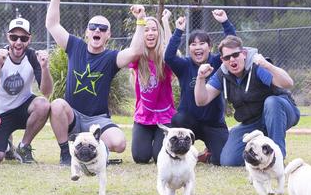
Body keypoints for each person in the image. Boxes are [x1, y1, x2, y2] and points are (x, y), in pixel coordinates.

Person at [45, 0, 146, 165]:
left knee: (120, 143)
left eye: (102, 28)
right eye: (93, 27)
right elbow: (52, 24)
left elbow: (135, 51)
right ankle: (65, 154)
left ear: (108, 35)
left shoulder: (111, 57)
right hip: (73, 117)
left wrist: (140, 20)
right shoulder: (74, 46)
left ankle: (93, 149)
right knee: (58, 104)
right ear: (87, 33)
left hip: (97, 120)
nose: (97, 30)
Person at [194, 35, 300, 166]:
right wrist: (200, 78)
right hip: (252, 122)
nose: (232, 59)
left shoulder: (257, 66)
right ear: (222, 60)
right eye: (227, 57)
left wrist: (267, 65)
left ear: (243, 53)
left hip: (281, 111)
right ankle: (259, 144)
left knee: (272, 102)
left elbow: (288, 83)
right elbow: (201, 101)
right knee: (229, 161)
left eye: (235, 54)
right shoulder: (222, 74)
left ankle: (277, 158)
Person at [164, 10, 237, 165]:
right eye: (193, 44)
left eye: (202, 43)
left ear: (210, 47)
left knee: (221, 160)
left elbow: (233, 46)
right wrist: (178, 31)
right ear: (189, 49)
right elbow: (168, 57)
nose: (197, 47)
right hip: (190, 122)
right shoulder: (184, 65)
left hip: (214, 123)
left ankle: (207, 155)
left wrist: (225, 22)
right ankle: (183, 151)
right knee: (178, 118)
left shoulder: (218, 62)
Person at [0, 18, 52, 164]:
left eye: (24, 38)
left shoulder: (33, 57)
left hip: (22, 108)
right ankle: (7, 146)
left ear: (29, 39)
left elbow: (46, 92)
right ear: (8, 37)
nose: (18, 42)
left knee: (43, 104)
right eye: (14, 37)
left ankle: (23, 147)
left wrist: (45, 67)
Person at [128, 10, 176, 164]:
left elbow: (172, 50)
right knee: (140, 157)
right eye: (146, 30)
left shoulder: (165, 59)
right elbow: (133, 49)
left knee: (159, 158)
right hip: (144, 116)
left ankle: (158, 140)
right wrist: (139, 21)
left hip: (164, 116)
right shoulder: (138, 58)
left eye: (154, 29)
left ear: (159, 34)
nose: (150, 33)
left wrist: (166, 22)